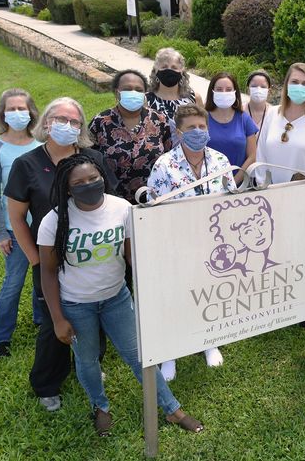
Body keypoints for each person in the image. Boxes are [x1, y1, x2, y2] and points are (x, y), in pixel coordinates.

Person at [38, 154, 203, 436]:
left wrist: (156, 284)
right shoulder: (54, 221)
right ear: (67, 188)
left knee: (140, 357)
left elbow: (131, 256)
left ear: (102, 177)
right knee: (87, 360)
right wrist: (57, 318)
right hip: (77, 305)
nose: (88, 185)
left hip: (116, 298)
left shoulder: (121, 208)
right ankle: (100, 407)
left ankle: (172, 409)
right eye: (79, 183)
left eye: (93, 179)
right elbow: (49, 273)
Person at [5, 97, 115, 412]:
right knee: (56, 324)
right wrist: (36, 261)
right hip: (50, 260)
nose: (67, 126)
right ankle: (47, 384)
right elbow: (17, 218)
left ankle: (90, 367)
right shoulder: (26, 164)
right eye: (60, 119)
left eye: (74, 121)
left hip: (94, 255)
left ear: (81, 128)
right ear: (47, 123)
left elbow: (110, 203)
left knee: (96, 315)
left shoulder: (93, 159)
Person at [147, 104, 234, 376]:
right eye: (191, 128)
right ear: (178, 132)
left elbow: (232, 198)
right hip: (175, 244)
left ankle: (208, 342)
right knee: (175, 296)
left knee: (208, 294)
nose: (198, 132)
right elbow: (152, 209)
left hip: (213, 244)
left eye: (202, 127)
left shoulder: (220, 160)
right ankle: (171, 354)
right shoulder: (164, 165)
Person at [0, 89, 42, 358]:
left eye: (22, 108)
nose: (18, 113)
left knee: (44, 277)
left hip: (43, 226)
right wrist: (0, 233)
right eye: (12, 109)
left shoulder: (41, 143)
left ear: (31, 113)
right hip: (14, 230)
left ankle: (42, 320)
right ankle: (2, 338)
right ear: (3, 114)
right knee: (14, 282)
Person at [89, 69, 172, 204]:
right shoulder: (100, 122)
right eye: (127, 88)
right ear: (117, 92)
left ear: (145, 93)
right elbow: (90, 159)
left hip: (154, 199)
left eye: (138, 90)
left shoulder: (159, 120)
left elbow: (168, 155)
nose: (133, 92)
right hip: (113, 201)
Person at [256, 63, 305, 183]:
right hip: (270, 194)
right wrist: (263, 187)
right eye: (294, 82)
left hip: (304, 194)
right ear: (287, 84)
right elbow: (261, 157)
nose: (299, 86)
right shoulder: (272, 114)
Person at [205, 72, 258, 184]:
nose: (224, 93)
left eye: (228, 89)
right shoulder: (202, 119)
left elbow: (252, 156)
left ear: (235, 92)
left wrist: (234, 181)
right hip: (208, 184)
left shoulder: (244, 119)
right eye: (219, 89)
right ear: (212, 92)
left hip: (239, 186)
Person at [146, 47, 204, 145]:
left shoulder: (194, 98)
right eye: (164, 67)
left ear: (181, 71)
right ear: (156, 71)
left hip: (189, 155)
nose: (169, 71)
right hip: (157, 157)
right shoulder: (146, 100)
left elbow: (203, 130)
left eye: (174, 67)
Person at [245, 69, 274, 135]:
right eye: (254, 86)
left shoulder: (274, 113)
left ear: (269, 91)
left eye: (263, 87)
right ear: (248, 89)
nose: (258, 89)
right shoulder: (239, 112)